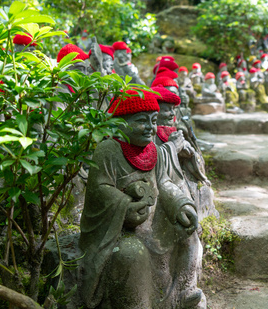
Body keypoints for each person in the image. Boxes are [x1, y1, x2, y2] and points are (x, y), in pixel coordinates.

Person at [78, 88, 205, 309]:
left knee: (187, 232)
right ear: (120, 123)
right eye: (141, 121)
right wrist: (125, 205)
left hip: (153, 224)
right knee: (131, 254)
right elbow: (100, 188)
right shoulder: (109, 150)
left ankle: (184, 291)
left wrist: (181, 205)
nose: (150, 127)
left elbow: (165, 183)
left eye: (153, 120)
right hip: (121, 230)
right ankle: (138, 304)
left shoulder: (154, 150)